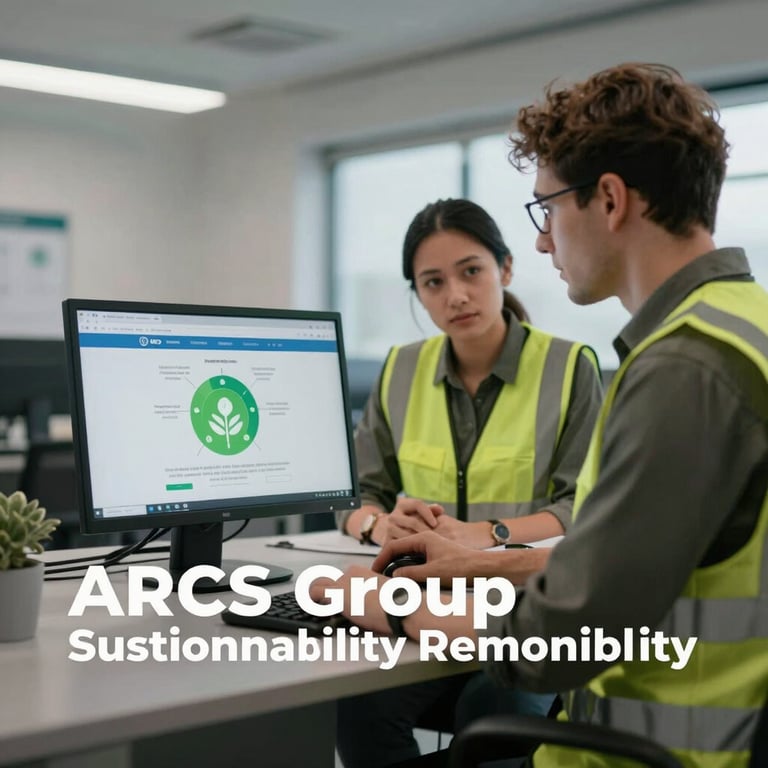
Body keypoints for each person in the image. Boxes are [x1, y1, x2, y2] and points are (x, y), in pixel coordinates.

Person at [314, 62, 768, 768]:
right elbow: (631, 561)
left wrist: (382, 606)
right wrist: (477, 560)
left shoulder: (684, 368)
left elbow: (557, 641)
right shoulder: (742, 325)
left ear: (610, 200)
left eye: (547, 209)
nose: (543, 240)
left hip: (642, 754)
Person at [334, 198, 604, 768]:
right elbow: (357, 494)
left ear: (504, 269)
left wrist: (485, 535)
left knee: (492, 712)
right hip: (419, 601)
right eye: (433, 282)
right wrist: (381, 522)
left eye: (471, 271)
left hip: (527, 606)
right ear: (418, 294)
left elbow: (580, 508)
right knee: (359, 706)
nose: (454, 294)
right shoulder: (399, 369)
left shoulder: (568, 367)